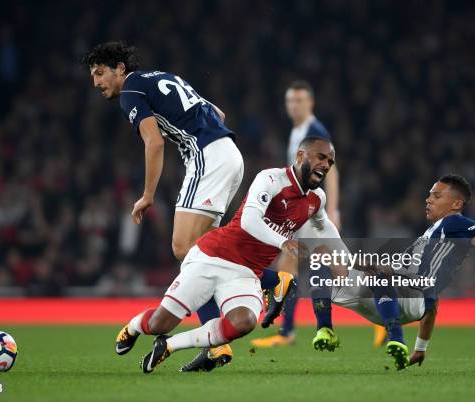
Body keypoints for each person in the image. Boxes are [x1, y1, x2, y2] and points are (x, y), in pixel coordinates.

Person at [81, 41, 245, 366]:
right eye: (92, 76)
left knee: (184, 248)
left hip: (207, 157)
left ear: (120, 69)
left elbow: (154, 143)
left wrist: (147, 195)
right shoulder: (162, 78)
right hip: (230, 154)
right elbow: (219, 114)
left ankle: (272, 281)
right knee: (203, 256)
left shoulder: (130, 92)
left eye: (100, 73)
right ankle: (218, 344)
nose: (96, 82)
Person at [116, 137, 339, 373]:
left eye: (331, 162)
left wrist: (344, 258)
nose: (326, 165)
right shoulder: (271, 179)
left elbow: (325, 228)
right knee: (158, 323)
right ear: (301, 156)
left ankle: (169, 345)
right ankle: (133, 327)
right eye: (321, 157)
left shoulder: (317, 199)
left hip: (246, 273)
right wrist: (283, 241)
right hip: (213, 256)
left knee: (244, 322)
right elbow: (249, 219)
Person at [310, 174, 475, 370]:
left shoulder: (457, 223)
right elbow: (432, 303)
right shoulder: (431, 235)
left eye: (437, 196)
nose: (428, 199)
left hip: (404, 294)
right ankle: (325, 330)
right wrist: (421, 348)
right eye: (429, 195)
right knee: (322, 259)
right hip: (391, 297)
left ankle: (395, 337)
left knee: (378, 271)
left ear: (456, 204)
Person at [252, 80, 342, 348]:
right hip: (306, 207)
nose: (295, 105)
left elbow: (332, 171)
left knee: (305, 266)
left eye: (300, 101)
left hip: (310, 209)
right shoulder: (299, 130)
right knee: (302, 265)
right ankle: (293, 329)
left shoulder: (315, 130)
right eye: (291, 101)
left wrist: (332, 210)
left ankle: (293, 330)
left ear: (310, 103)